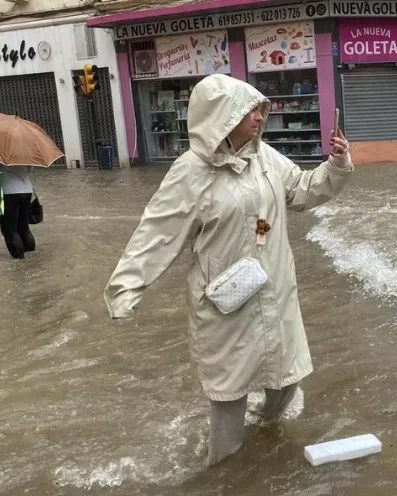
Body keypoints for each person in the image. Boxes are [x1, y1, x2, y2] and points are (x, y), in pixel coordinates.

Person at [103, 74, 354, 467]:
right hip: (226, 304)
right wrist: (126, 287)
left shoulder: (265, 158)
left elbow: (302, 189)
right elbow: (157, 232)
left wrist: (336, 165)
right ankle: (222, 474)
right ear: (223, 116)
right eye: (249, 110)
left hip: (275, 291)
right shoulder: (191, 172)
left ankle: (267, 438)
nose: (258, 117)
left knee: (285, 378)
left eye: (259, 110)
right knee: (229, 394)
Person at [0, 165, 35, 259]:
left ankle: (19, 258)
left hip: (9, 191)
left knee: (10, 228)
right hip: (27, 190)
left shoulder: (2, 154)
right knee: (23, 226)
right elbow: (29, 169)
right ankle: (31, 253)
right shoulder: (25, 153)